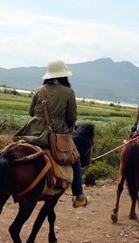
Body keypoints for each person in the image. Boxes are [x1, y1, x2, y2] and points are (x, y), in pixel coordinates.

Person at [13, 60, 92, 208]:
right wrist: (66, 128)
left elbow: (31, 113)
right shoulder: (69, 92)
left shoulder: (39, 90)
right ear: (64, 75)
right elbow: (71, 118)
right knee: (75, 159)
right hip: (55, 138)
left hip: (31, 134)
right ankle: (79, 196)